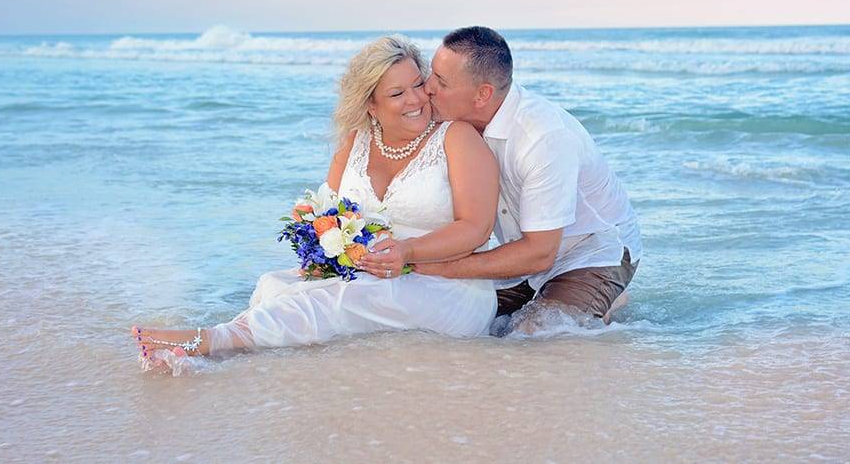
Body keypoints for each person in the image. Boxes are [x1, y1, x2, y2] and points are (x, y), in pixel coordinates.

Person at [132, 35, 499, 371]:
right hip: (371, 274)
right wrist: (327, 256)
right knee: (274, 286)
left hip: (450, 288)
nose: (416, 99)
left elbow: (476, 227)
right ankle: (215, 359)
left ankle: (208, 341)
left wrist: (408, 250)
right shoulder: (355, 143)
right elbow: (330, 216)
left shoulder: (456, 138)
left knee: (337, 301)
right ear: (370, 104)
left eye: (418, 84)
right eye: (397, 93)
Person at [361, 26, 641, 328]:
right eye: (432, 74)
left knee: (536, 338)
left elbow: (540, 252)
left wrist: (442, 266)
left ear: (482, 94)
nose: (427, 88)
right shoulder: (452, 121)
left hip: (592, 253)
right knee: (458, 322)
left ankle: (603, 297)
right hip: (521, 257)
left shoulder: (543, 137)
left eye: (441, 82)